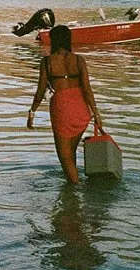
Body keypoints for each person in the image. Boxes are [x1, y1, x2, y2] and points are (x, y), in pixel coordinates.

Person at [26, 25, 103, 183]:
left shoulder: (47, 62)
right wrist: (96, 114)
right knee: (70, 153)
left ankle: (76, 190)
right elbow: (87, 89)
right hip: (81, 108)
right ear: (68, 40)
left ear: (53, 41)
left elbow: (41, 90)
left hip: (61, 109)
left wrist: (32, 112)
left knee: (64, 158)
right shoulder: (79, 60)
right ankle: (72, 188)